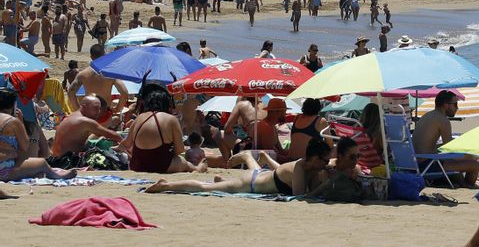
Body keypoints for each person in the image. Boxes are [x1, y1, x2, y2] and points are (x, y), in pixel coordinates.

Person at [145, 139, 332, 196]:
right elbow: (300, 196)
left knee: (216, 185)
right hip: (249, 183)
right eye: (324, 160)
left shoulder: (314, 169)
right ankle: (165, 185)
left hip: (261, 175)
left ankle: (226, 178)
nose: (326, 164)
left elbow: (315, 192)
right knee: (205, 188)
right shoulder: (300, 168)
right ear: (314, 157)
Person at [121, 84, 206, 174]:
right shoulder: (171, 119)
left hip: (137, 166)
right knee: (183, 162)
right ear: (166, 103)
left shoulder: (139, 118)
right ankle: (198, 169)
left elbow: (126, 144)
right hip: (161, 166)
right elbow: (179, 150)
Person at [0, 88, 75, 182]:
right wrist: (21, 123)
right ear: (14, 106)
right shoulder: (12, 121)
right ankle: (55, 175)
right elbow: (25, 146)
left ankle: (35, 172)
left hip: (6, 166)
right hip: (5, 170)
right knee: (42, 163)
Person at [412, 90, 479, 187]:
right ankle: (468, 187)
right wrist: (468, 151)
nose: (457, 108)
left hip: (416, 164)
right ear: (446, 105)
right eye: (455, 104)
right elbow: (450, 148)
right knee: (474, 165)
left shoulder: (427, 115)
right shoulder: (443, 120)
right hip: (428, 165)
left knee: (460, 166)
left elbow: (430, 146)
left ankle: (460, 183)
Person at [66, 44, 129, 125]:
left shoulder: (83, 74)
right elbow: (124, 93)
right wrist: (117, 109)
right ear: (104, 55)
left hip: (88, 113)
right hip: (104, 113)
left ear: (91, 56)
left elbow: (70, 92)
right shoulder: (110, 73)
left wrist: (78, 110)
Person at [50, 95, 122, 156]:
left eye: (99, 109)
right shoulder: (85, 121)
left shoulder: (71, 116)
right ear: (84, 107)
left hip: (56, 158)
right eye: (95, 108)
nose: (98, 112)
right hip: (67, 160)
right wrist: (128, 145)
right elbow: (114, 135)